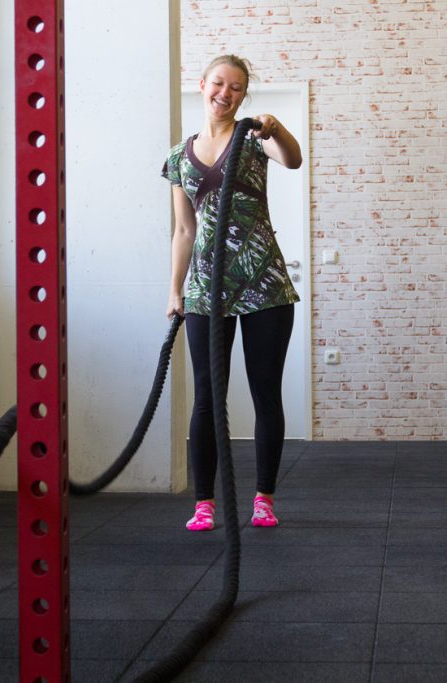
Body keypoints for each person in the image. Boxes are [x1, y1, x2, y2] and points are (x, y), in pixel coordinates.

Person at [161, 55, 302, 531]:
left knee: (265, 392)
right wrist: (174, 290)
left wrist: (275, 129)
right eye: (219, 83)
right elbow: (184, 230)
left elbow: (293, 159)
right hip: (206, 287)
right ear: (203, 85)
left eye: (237, 87)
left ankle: (264, 498)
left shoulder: (253, 136)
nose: (226, 92)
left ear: (244, 94)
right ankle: (204, 503)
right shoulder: (180, 156)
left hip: (264, 282)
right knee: (207, 396)